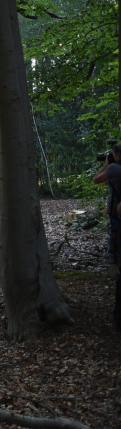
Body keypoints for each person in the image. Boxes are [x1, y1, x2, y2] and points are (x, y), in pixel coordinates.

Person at [92, 142, 121, 331]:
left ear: (116, 154)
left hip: (117, 217)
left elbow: (96, 180)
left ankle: (118, 319)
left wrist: (106, 163)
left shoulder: (112, 168)